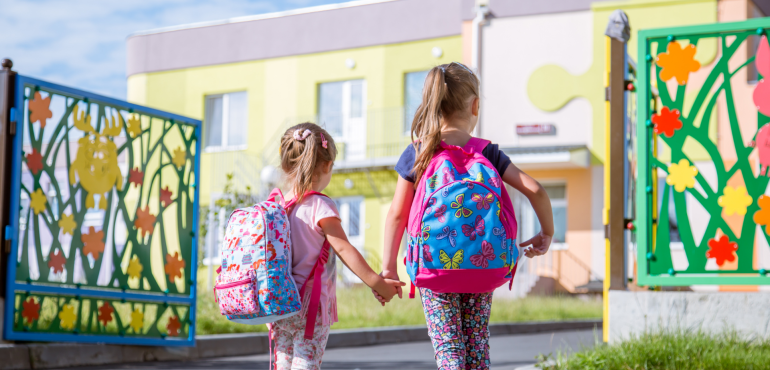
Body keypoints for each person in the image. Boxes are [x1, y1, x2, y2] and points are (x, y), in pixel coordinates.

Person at [378, 62, 554, 369]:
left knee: (449, 347)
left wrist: (388, 268)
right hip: (483, 264)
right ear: (475, 106)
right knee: (476, 343)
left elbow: (396, 215)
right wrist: (546, 232)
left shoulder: (419, 152)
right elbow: (535, 189)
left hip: (434, 266)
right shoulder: (488, 153)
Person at [272, 122, 405, 370]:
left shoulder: (277, 206)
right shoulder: (321, 206)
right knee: (305, 364)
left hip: (280, 302)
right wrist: (377, 283)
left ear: (284, 165)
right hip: (310, 305)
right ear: (327, 165)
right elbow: (344, 249)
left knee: (283, 364)